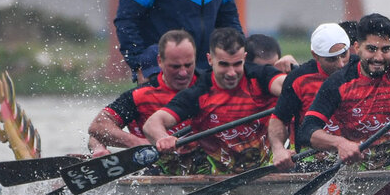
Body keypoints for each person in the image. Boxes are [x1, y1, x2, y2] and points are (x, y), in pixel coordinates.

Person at [298, 13, 390, 170]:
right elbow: (307, 131)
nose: (379, 57)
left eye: (385, 49)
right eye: (371, 49)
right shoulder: (338, 83)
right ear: (357, 47)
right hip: (360, 169)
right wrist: (340, 144)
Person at [142, 27, 286, 173]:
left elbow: (287, 87)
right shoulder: (199, 93)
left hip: (271, 164)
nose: (231, 73)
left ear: (245, 57)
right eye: (224, 64)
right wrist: (163, 138)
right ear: (210, 60)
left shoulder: (260, 76)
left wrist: (294, 73)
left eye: (237, 64)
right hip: (220, 174)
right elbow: (152, 123)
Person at [87, 30, 200, 166]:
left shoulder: (203, 85)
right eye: (151, 76)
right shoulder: (137, 96)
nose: (182, 74)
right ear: (138, 73)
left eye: (187, 65)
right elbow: (98, 129)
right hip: (154, 163)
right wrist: (137, 143)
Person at [267, 22, 351, 171]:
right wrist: (278, 149)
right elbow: (278, 119)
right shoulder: (298, 78)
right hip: (309, 161)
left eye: (344, 55)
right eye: (331, 59)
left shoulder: (360, 68)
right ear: (315, 55)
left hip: (352, 157)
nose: (341, 65)